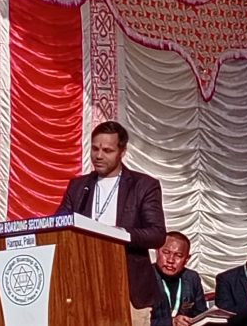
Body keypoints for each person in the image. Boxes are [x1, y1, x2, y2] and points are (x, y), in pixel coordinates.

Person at [56, 121, 166, 326]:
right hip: (83, 285)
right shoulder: (78, 186)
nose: (98, 156)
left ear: (122, 152)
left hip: (127, 287)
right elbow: (58, 226)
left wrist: (119, 233)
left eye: (107, 150)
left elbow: (157, 234)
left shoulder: (143, 185)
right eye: (95, 149)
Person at [151, 232, 207, 326]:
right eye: (166, 252)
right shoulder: (144, 277)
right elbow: (138, 321)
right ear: (157, 251)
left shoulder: (192, 278)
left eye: (178, 255)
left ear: (187, 259)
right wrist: (171, 322)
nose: (170, 260)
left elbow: (200, 313)